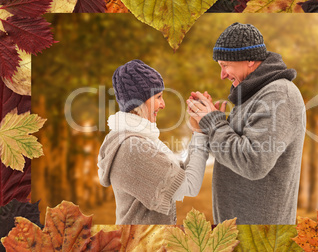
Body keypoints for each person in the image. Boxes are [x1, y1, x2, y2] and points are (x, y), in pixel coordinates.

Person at [187, 22, 306, 224]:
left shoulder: (277, 94)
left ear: (249, 60)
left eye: (225, 65)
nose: (222, 75)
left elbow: (254, 163)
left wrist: (215, 124)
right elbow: (235, 150)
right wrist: (205, 126)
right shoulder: (254, 94)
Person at [98, 59, 209, 225]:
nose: (163, 104)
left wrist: (196, 131)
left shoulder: (142, 138)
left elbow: (181, 173)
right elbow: (189, 185)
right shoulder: (132, 148)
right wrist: (201, 134)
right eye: (158, 97)